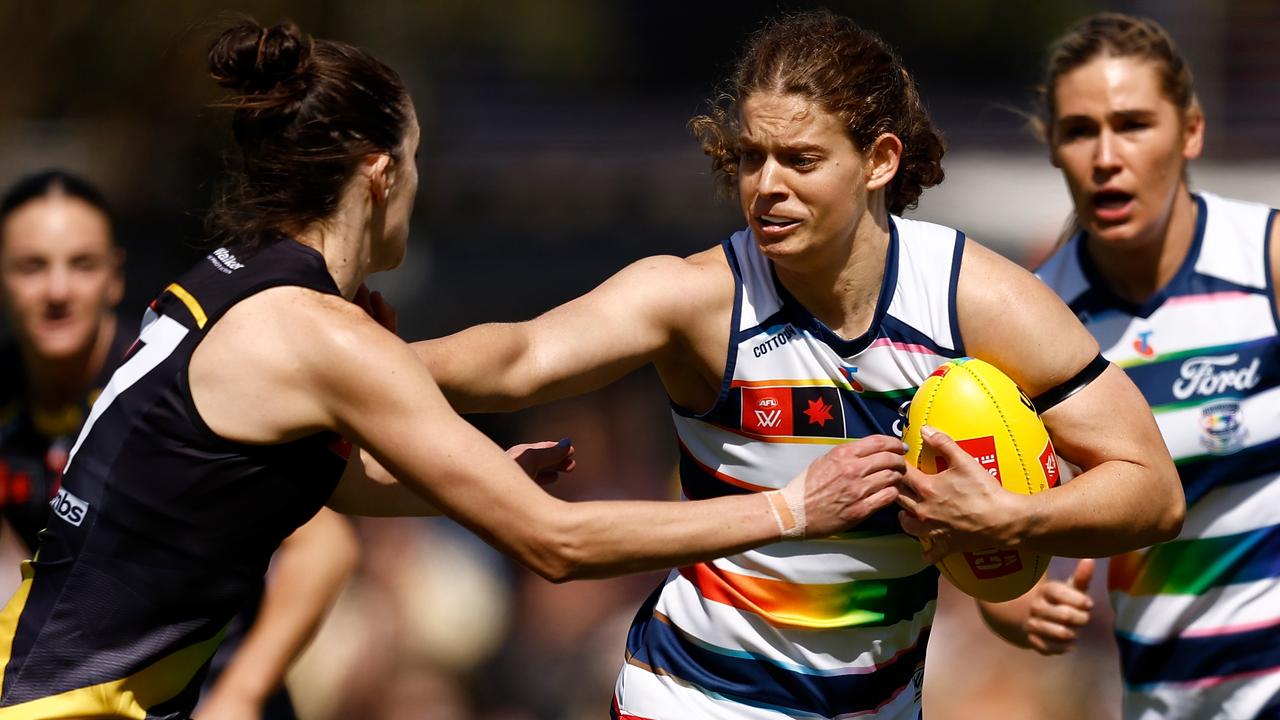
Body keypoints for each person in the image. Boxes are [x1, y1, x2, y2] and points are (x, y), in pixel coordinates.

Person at [0, 20, 913, 720]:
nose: (420, 184)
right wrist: (789, 509)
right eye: (417, 159)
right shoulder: (319, 333)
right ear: (378, 175)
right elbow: (554, 546)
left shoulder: (232, 283)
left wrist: (458, 486)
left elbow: (300, 482)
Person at [412, 10, 1183, 719]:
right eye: (752, 157)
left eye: (801, 159)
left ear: (879, 160)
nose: (766, 187)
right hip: (692, 697)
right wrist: (341, 349)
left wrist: (1016, 518)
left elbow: (1150, 488)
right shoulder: (700, 300)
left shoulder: (976, 303)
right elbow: (518, 355)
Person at [978, 12, 1280, 720]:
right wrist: (1016, 606)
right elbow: (978, 540)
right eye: (1081, 130)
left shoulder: (1266, 262)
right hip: (1159, 699)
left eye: (1134, 124)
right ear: (1053, 147)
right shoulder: (1032, 320)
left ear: (1191, 133)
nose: (1106, 155)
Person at [0, 170, 359, 720]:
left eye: (83, 264)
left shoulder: (174, 376)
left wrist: (240, 694)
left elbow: (325, 547)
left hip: (217, 695)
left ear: (115, 277)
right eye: (31, 266)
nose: (58, 290)